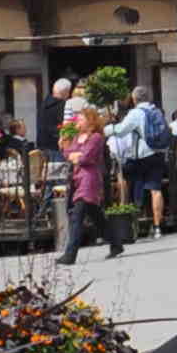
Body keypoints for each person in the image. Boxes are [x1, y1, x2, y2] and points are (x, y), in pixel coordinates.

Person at [112, 89, 175, 237]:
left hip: (142, 156)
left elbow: (121, 130)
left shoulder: (135, 113)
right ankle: (157, 227)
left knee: (126, 179)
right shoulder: (156, 111)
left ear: (134, 99)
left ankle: (132, 221)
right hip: (158, 153)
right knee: (156, 189)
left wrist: (107, 129)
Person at [55, 101, 112, 265]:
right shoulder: (76, 137)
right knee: (96, 215)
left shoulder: (96, 138)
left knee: (77, 216)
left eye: (81, 119)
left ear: (90, 121)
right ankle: (116, 243)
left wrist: (76, 156)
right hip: (77, 179)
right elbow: (68, 153)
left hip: (89, 179)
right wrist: (72, 153)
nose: (77, 122)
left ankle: (70, 254)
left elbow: (86, 158)